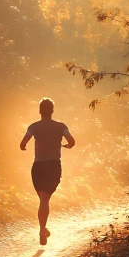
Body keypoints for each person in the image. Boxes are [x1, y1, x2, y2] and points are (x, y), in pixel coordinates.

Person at [20, 98, 75, 246]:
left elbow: (23, 142)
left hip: (38, 166)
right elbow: (72, 141)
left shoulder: (34, 126)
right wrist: (67, 145)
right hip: (53, 166)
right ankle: (42, 229)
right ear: (52, 111)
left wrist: (24, 146)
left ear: (39, 111)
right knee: (45, 200)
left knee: (42, 200)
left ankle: (43, 228)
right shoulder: (61, 126)